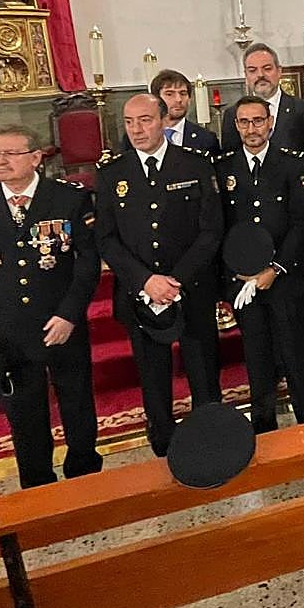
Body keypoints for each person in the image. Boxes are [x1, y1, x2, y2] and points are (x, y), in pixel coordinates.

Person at [0, 125, 102, 489]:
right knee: (25, 415)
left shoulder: (68, 199)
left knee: (77, 405)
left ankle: (86, 480)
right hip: (7, 329)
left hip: (61, 321)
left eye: (10, 154)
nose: (0, 161)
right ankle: (37, 487)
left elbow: (87, 263)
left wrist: (70, 314)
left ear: (35, 158)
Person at [95, 94, 224, 457]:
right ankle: (164, 441)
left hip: (192, 287)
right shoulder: (111, 173)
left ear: (164, 120)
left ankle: (210, 439)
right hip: (140, 294)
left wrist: (176, 279)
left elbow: (211, 231)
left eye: (146, 120)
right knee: (153, 375)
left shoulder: (195, 165)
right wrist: (145, 280)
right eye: (130, 121)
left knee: (203, 370)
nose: (137, 129)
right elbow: (105, 237)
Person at [220, 42, 304, 392]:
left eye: (266, 68)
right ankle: (278, 370)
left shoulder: (302, 110)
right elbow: (231, 172)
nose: (260, 75)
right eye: (252, 70)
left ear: (279, 71)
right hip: (253, 237)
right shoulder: (232, 115)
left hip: (298, 227)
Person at [214, 96, 304, 432]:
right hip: (244, 281)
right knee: (256, 354)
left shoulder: (291, 163)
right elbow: (220, 226)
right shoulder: (224, 166)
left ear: (270, 122)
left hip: (285, 278)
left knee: (295, 353)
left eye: (258, 121)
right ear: (235, 126)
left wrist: (275, 269)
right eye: (244, 122)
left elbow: (303, 220)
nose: (251, 129)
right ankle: (263, 424)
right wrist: (237, 274)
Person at [119, 69, 220, 155]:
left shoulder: (206, 138)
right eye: (169, 94)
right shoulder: (134, 137)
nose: (178, 99)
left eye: (183, 93)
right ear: (156, 98)